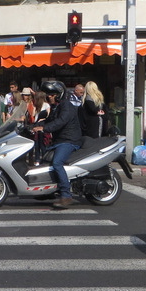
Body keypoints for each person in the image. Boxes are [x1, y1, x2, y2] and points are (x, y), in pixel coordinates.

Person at [32, 80, 83, 210]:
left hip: (69, 141)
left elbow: (60, 122)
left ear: (59, 94)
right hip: (59, 141)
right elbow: (49, 121)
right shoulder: (56, 107)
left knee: (57, 163)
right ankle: (48, 191)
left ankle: (66, 195)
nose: (49, 96)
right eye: (48, 94)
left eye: (52, 94)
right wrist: (32, 126)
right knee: (44, 162)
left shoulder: (67, 106)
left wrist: (44, 128)